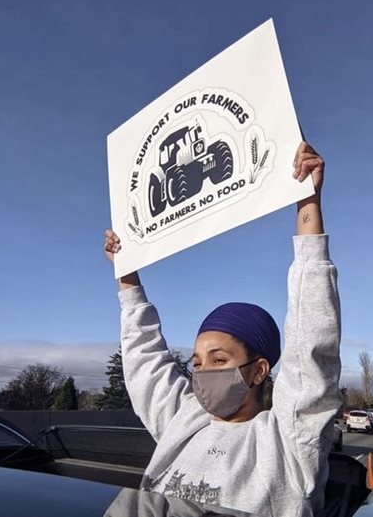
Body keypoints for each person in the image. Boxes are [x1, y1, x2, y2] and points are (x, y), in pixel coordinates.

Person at [103, 141, 341, 517]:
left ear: (259, 370)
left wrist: (307, 203)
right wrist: (127, 276)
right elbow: (144, 359)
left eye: (219, 359)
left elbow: (310, 341)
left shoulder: (289, 441)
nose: (202, 372)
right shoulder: (183, 420)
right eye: (197, 362)